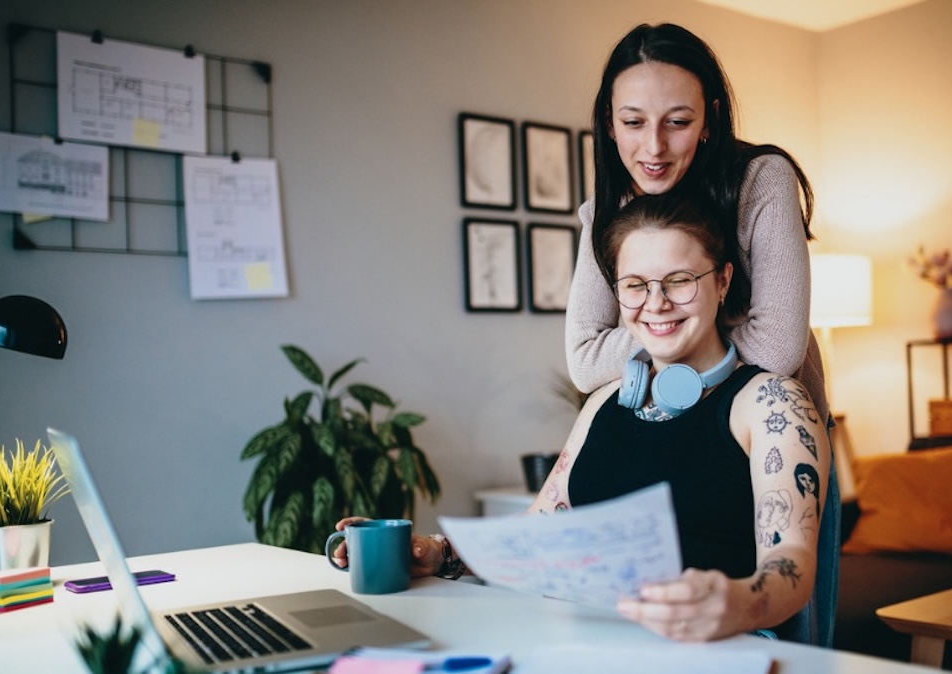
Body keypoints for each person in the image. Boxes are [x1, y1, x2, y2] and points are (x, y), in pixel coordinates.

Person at [333, 193, 830, 643]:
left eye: (679, 281)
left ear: (722, 281)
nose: (655, 304)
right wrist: (435, 553)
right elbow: (538, 533)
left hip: (712, 651)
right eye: (634, 285)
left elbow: (792, 567)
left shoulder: (772, 403)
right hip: (590, 641)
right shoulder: (605, 402)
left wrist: (739, 602)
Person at [564, 22, 839, 646]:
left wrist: (679, 309)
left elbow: (775, 350)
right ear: (609, 123)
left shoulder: (758, 180)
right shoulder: (604, 212)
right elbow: (585, 361)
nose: (653, 146)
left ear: (710, 118)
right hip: (658, 433)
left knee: (783, 630)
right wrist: (673, 308)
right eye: (632, 122)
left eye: (677, 121)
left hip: (764, 448)